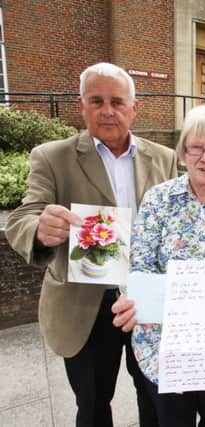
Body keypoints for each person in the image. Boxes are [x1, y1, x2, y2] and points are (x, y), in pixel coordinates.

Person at [5, 62, 177, 426]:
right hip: (86, 305)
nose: (107, 110)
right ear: (82, 105)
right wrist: (39, 228)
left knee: (157, 401)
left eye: (117, 101)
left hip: (148, 299)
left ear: (134, 107)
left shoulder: (164, 158)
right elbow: (22, 217)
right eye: (96, 101)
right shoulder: (52, 157)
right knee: (94, 405)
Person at [111, 104, 205, 427]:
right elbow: (140, 264)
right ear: (182, 153)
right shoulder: (159, 198)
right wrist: (131, 299)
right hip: (163, 345)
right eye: (196, 147)